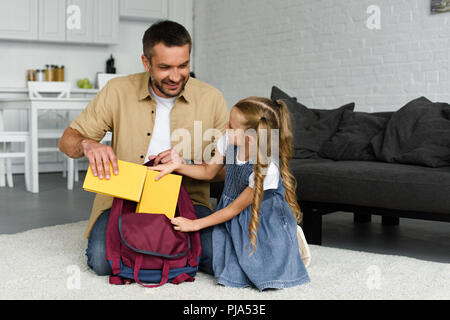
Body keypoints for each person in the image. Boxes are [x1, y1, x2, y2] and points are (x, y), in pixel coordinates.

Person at [58, 20, 229, 276]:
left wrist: (186, 165)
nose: (175, 76)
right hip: (124, 199)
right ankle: (163, 257)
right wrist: (87, 143)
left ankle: (150, 256)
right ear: (146, 62)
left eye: (183, 65)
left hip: (188, 200)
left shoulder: (211, 98)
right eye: (165, 67)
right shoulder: (118, 90)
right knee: (102, 262)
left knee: (219, 258)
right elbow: (67, 141)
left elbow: (226, 169)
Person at [148, 96, 310, 291]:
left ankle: (287, 240)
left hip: (257, 220)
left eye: (232, 126)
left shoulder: (267, 167)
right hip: (231, 214)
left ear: (250, 137)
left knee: (247, 269)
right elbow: (208, 172)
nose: (226, 127)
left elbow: (234, 209)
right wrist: (177, 166)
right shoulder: (229, 142)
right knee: (208, 252)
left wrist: (194, 224)